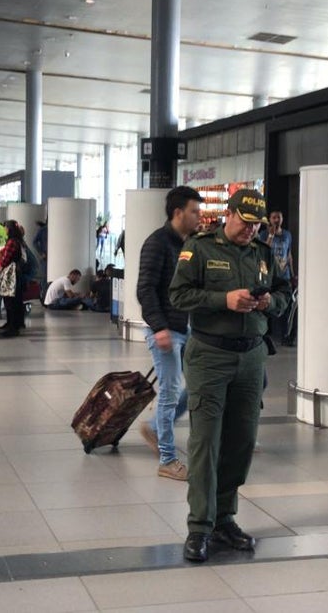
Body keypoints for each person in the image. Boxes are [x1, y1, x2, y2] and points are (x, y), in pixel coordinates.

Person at [168, 188, 290, 563]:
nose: (250, 231)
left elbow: (286, 293)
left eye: (257, 226)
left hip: (251, 357)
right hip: (209, 355)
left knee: (241, 440)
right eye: (245, 223)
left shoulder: (264, 254)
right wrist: (224, 300)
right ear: (229, 215)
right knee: (206, 443)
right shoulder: (200, 248)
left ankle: (224, 518)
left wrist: (272, 302)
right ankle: (199, 527)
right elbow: (178, 296)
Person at [137, 185, 203, 481]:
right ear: (178, 213)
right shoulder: (157, 243)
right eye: (194, 211)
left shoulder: (189, 244)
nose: (199, 217)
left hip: (187, 327)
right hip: (165, 330)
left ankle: (153, 428)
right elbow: (145, 289)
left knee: (199, 384)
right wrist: (159, 327)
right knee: (170, 392)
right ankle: (167, 459)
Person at [260, 210, 296, 345]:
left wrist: (293, 273)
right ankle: (266, 333)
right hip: (269, 274)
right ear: (269, 219)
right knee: (267, 302)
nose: (276, 220)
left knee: (286, 306)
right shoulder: (264, 234)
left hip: (284, 274)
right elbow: (264, 250)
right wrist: (271, 235)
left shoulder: (287, 235)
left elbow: (289, 254)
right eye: (274, 217)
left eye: (279, 217)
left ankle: (285, 335)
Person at [0, 220, 28, 337]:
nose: (4, 230)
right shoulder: (19, 242)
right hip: (18, 274)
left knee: (10, 300)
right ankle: (16, 323)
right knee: (17, 300)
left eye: (5, 228)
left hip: (11, 274)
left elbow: (5, 260)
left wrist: (0, 257)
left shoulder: (11, 242)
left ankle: (12, 326)